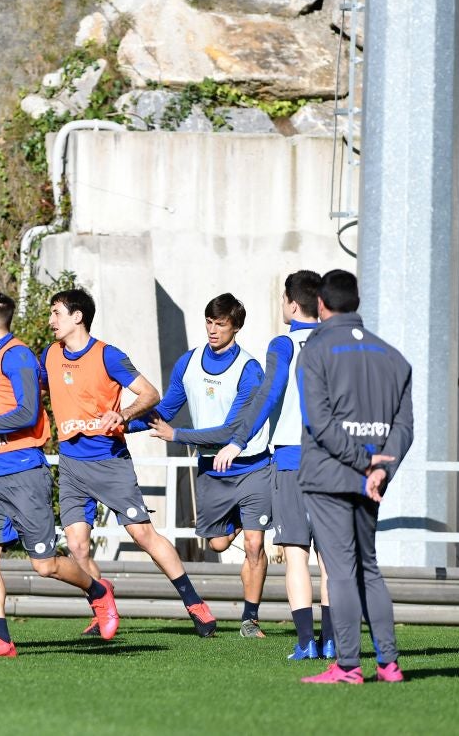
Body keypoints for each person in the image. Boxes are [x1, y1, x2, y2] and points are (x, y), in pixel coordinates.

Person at [167, 273, 333, 657]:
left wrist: (238, 440)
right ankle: (332, 642)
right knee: (330, 559)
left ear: (292, 304)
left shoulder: (282, 345)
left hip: (286, 459)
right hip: (333, 460)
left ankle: (301, 640)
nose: (213, 329)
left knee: (294, 554)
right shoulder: (340, 343)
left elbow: (269, 394)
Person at [0, 290, 119, 658]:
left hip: (23, 472)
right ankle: (1, 639)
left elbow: (27, 413)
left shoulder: (18, 356)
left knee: (44, 565)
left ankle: (98, 591)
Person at [42, 287, 218, 638]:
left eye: (56, 313)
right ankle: (102, 608)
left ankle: (195, 603)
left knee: (142, 534)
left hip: (109, 462)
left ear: (77, 316)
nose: (51, 321)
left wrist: (122, 415)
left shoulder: (108, 355)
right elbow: (40, 388)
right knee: (77, 546)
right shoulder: (50, 354)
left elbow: (150, 393)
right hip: (72, 464)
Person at [297, 269, 412, 684]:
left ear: (321, 304)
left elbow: (320, 423)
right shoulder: (393, 356)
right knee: (369, 567)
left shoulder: (315, 350)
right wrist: (381, 467)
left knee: (342, 570)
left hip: (330, 476)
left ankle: (347, 666)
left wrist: (364, 463)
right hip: (371, 481)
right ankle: (389, 664)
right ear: (357, 302)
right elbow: (403, 428)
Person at [145, 293, 272, 638]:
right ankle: (240, 522)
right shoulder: (188, 362)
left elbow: (231, 431)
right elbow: (165, 410)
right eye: (209, 322)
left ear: (236, 327)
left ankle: (250, 620)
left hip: (252, 465)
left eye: (221, 324)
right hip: (213, 468)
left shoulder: (249, 369)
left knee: (254, 545)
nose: (213, 330)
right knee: (216, 543)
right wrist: (121, 423)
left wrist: (177, 435)